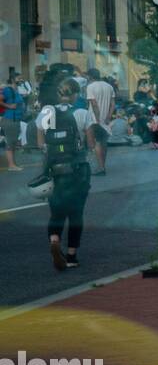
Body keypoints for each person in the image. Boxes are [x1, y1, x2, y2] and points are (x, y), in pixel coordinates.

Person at [36, 78, 94, 271]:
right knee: (76, 214)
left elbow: (40, 143)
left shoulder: (47, 111)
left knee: (57, 211)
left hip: (55, 169)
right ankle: (71, 255)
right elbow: (91, 143)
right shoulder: (82, 113)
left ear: (58, 94)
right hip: (78, 169)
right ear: (76, 94)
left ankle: (54, 240)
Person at [1, 72, 24, 171]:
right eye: (19, 78)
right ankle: (11, 165)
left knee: (13, 142)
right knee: (10, 143)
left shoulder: (16, 89)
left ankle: (13, 164)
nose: (21, 80)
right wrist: (9, 106)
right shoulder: (8, 89)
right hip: (10, 119)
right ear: (13, 79)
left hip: (15, 119)